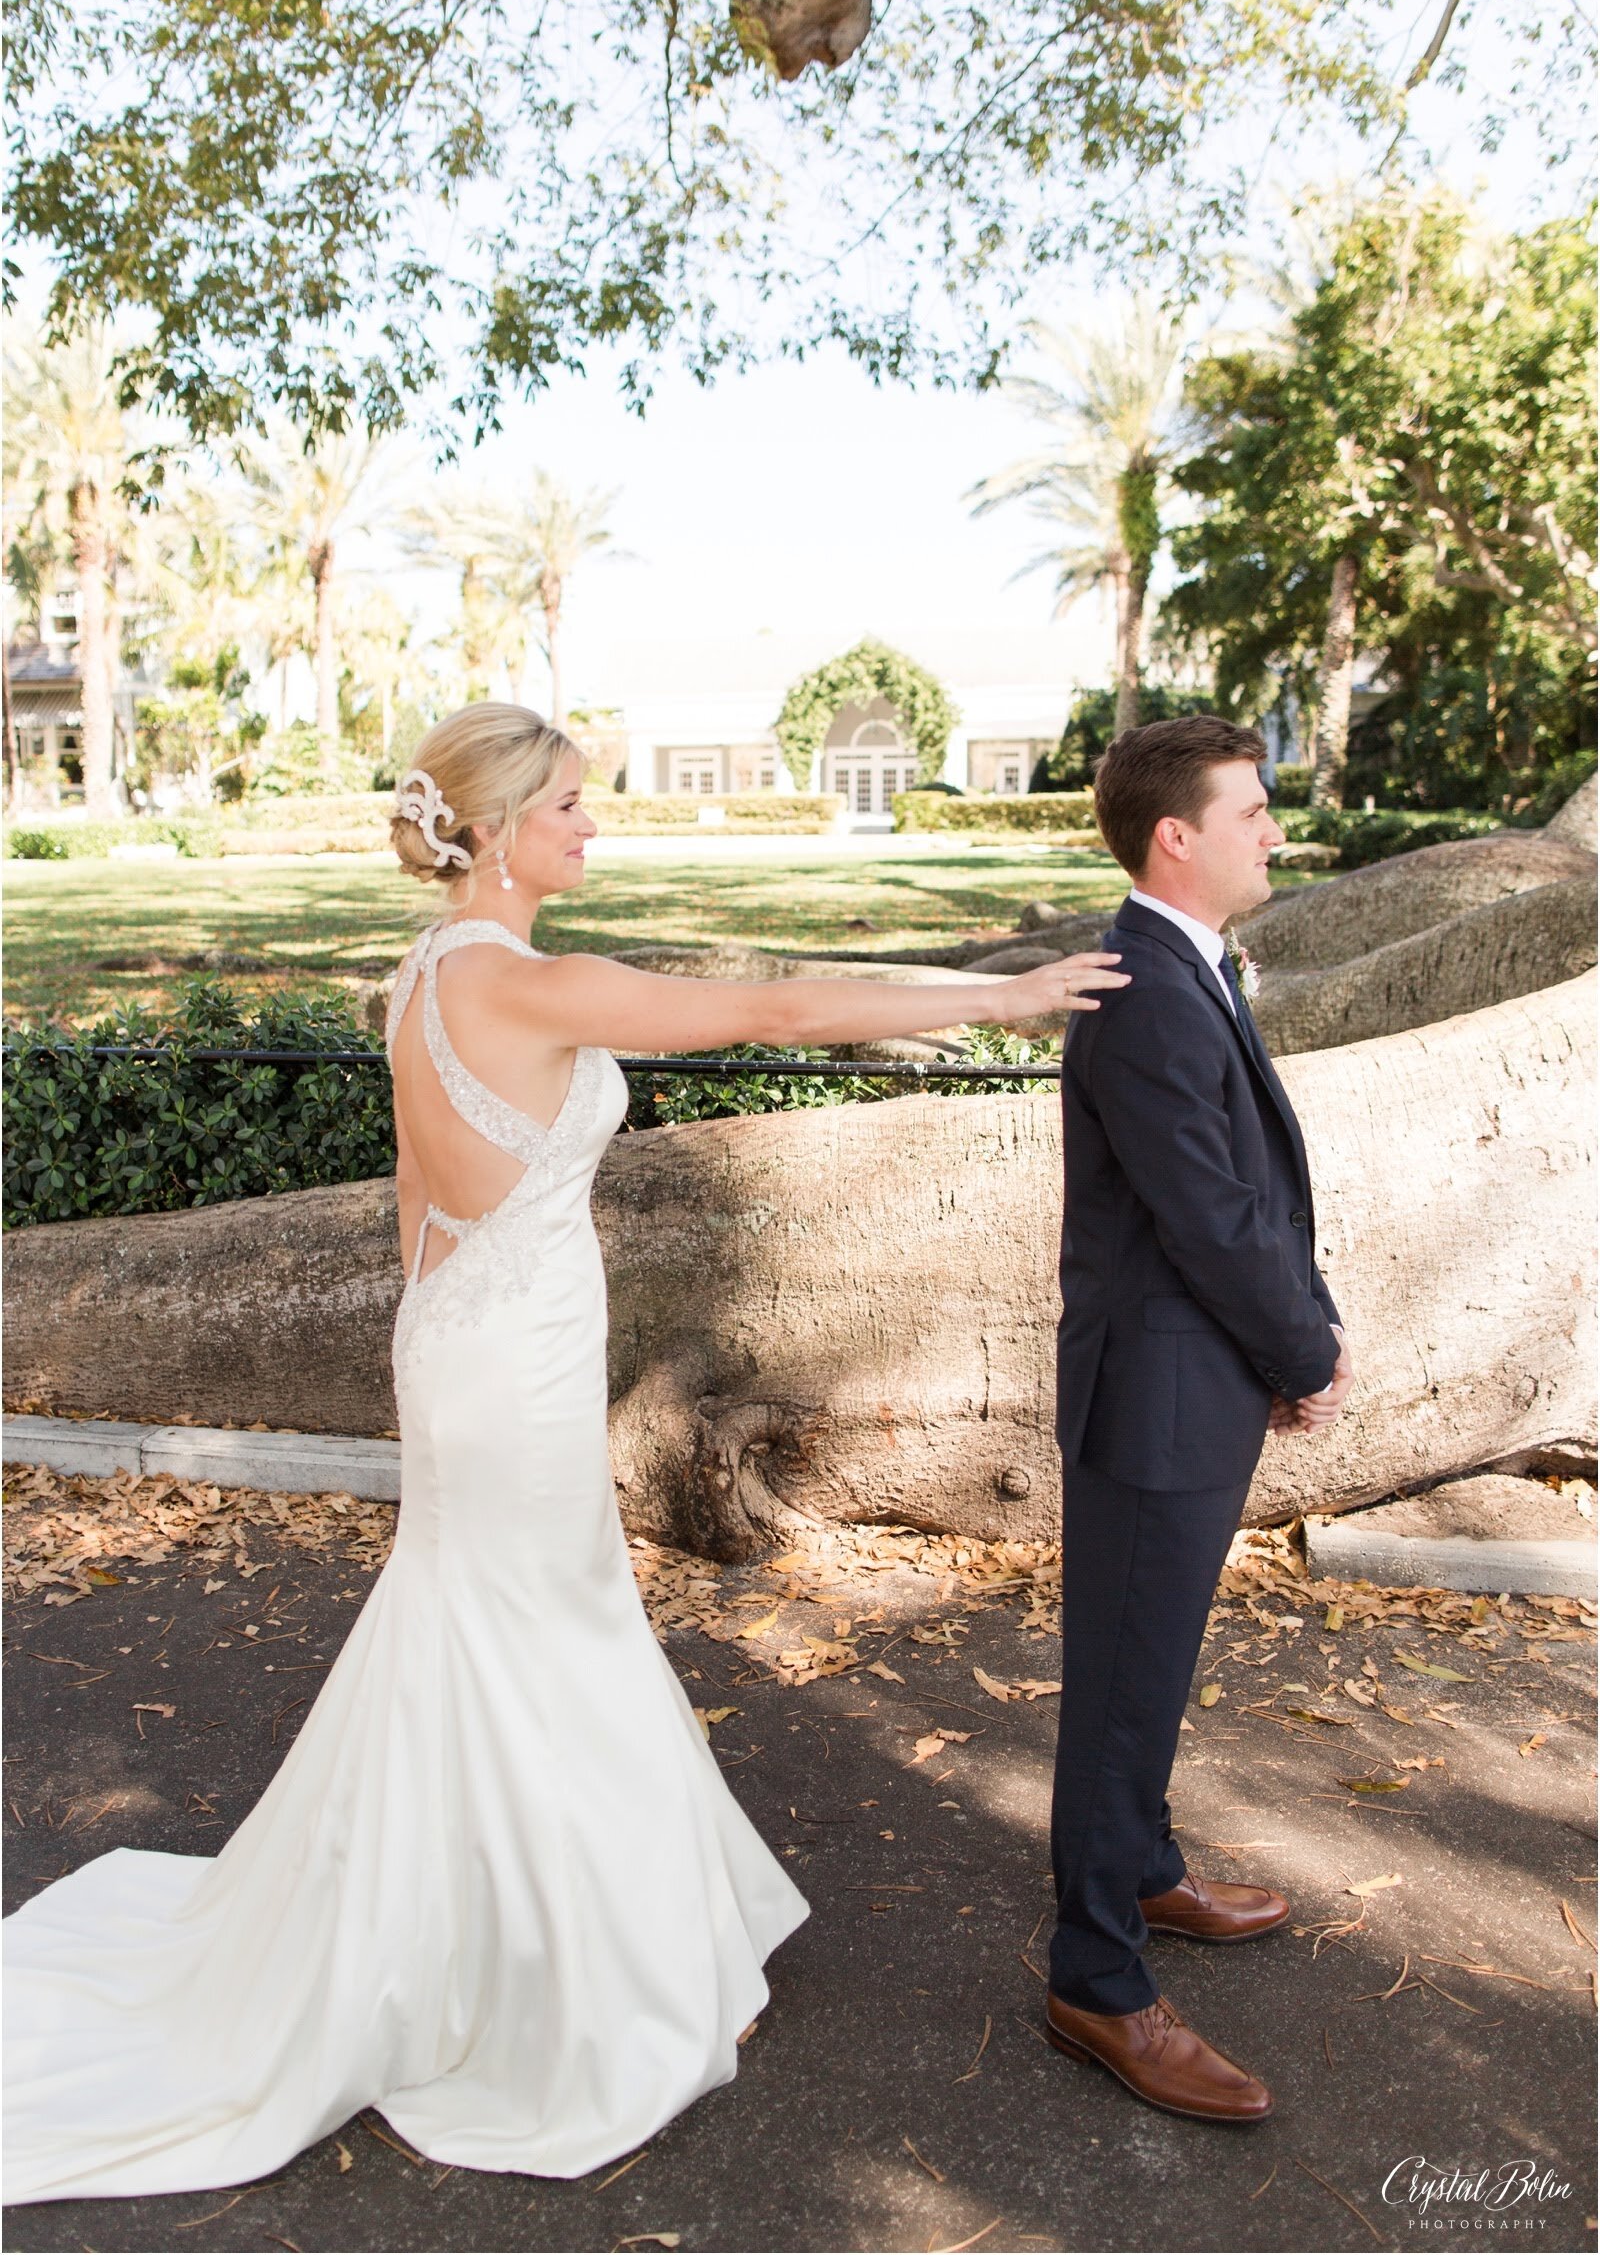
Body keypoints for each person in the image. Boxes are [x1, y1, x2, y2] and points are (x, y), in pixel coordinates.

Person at [3, 702, 1128, 2204]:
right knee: (548, 1631)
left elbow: (421, 1194)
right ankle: (581, 1991)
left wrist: (451, 1332)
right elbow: (776, 1011)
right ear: (505, 825)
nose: (595, 827)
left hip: (467, 1338)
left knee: (496, 1623)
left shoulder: (420, 976)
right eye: (576, 808)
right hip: (505, 1367)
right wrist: (1002, 996)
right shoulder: (530, 984)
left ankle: (519, 1939)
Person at [1042, 715, 1355, 2123]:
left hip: (1197, 1380)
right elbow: (1214, 1216)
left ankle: (1145, 1866)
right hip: (1161, 1396)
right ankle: (1097, 1980)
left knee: (1151, 1663)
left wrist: (1296, 1329)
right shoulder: (1150, 990)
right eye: (1252, 809)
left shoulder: (1182, 967)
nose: (1272, 830)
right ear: (1178, 834)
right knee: (1121, 1679)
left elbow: (1249, 1188)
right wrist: (1306, 1342)